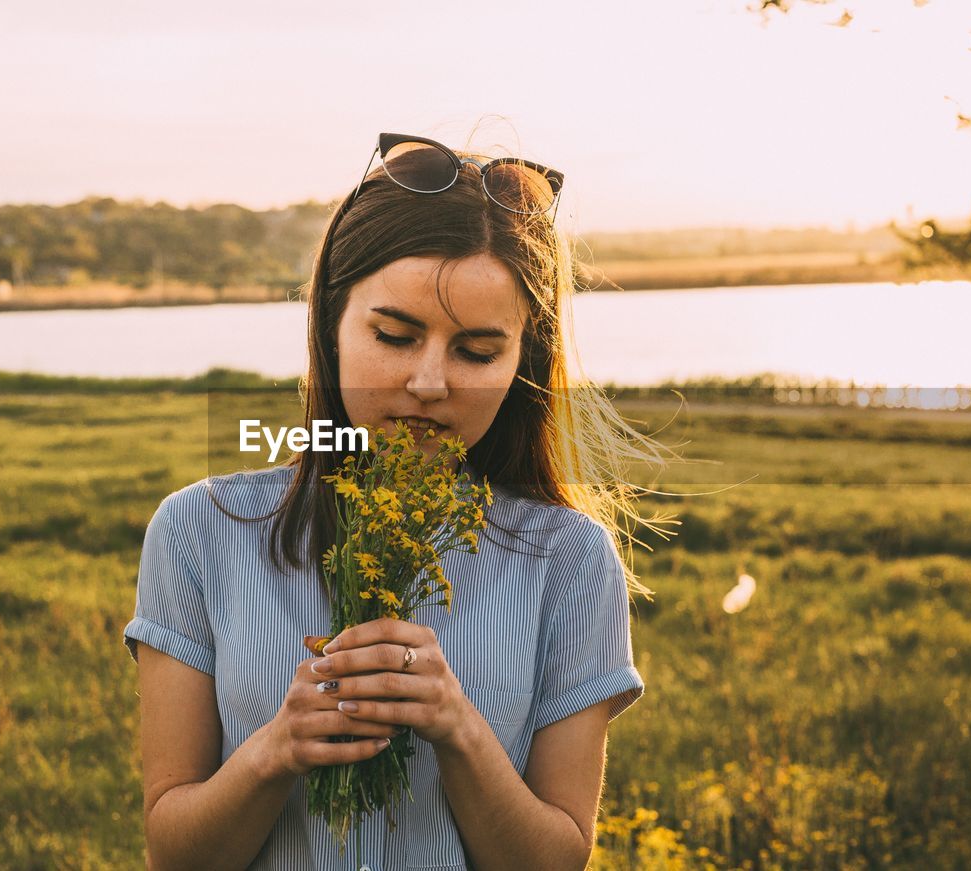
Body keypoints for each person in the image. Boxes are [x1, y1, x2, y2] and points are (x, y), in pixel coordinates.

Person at [122, 131, 676, 870]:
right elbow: (174, 853)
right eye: (395, 335)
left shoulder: (570, 558)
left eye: (478, 352)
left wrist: (458, 727)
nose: (430, 381)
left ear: (523, 363)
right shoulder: (199, 531)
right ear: (331, 322)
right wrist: (274, 751)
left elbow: (556, 860)